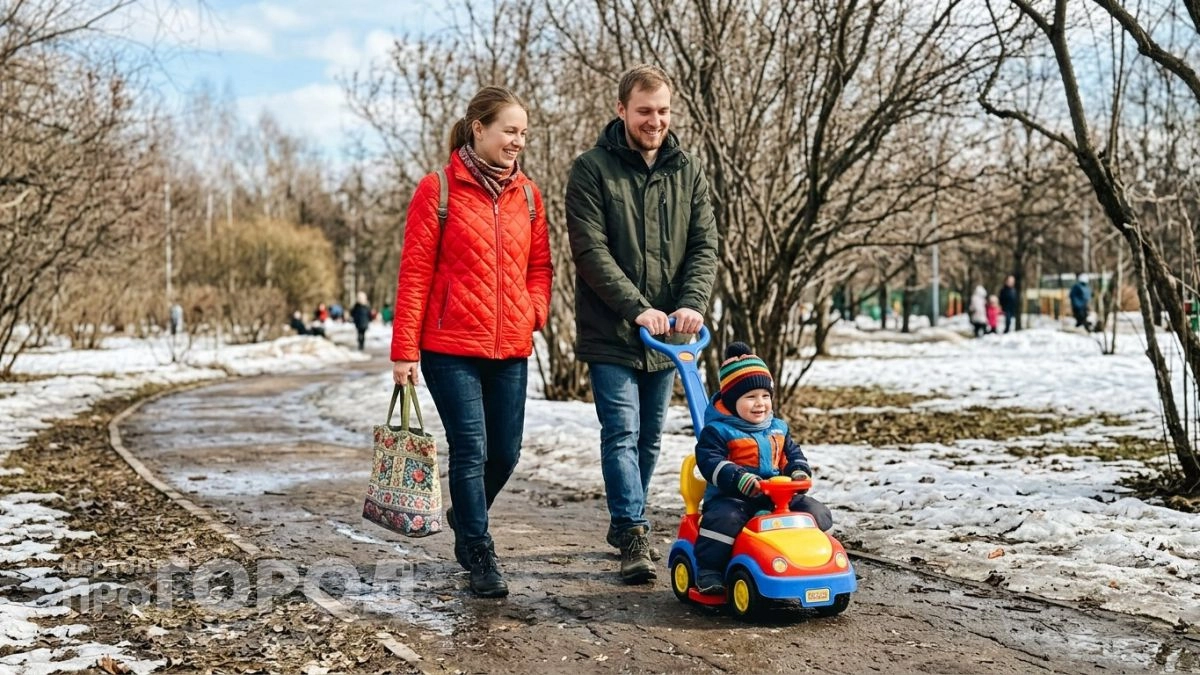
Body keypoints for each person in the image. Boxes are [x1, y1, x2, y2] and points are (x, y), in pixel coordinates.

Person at [391, 86, 552, 598]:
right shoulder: (437, 189)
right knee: (471, 449)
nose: (517, 142)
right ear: (478, 128)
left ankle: (466, 511)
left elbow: (541, 267)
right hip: (448, 346)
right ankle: (479, 550)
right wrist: (404, 350)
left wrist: (534, 311)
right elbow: (415, 272)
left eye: (523, 134)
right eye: (509, 131)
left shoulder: (527, 195)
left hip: (510, 347)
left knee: (505, 453)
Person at [565, 64, 719, 583]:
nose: (655, 121)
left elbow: (704, 244)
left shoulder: (687, 169)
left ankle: (625, 518)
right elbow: (590, 251)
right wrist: (636, 308)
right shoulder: (591, 169)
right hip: (612, 330)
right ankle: (632, 530)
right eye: (645, 111)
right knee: (622, 431)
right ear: (622, 111)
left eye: (663, 111)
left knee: (650, 437)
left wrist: (692, 301)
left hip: (670, 334)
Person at [693, 342, 832, 594]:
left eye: (765, 396)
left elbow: (792, 454)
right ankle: (709, 570)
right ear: (732, 400)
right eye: (750, 397)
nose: (760, 404)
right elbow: (709, 462)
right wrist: (739, 477)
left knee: (816, 511)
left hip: (778, 498)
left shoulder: (778, 428)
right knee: (724, 521)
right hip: (733, 497)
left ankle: (813, 561)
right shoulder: (717, 431)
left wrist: (798, 472)